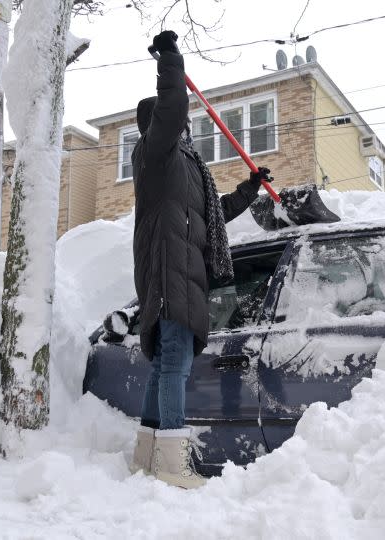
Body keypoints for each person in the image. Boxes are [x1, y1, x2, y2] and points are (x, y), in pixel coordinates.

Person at [129, 30, 272, 489]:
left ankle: (148, 457)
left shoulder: (186, 169)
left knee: (166, 361)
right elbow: (170, 109)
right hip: (168, 271)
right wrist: (171, 63)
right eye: (178, 125)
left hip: (184, 272)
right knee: (174, 362)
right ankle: (173, 464)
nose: (186, 129)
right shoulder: (157, 156)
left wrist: (250, 189)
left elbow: (213, 216)